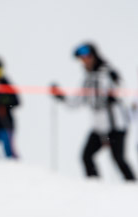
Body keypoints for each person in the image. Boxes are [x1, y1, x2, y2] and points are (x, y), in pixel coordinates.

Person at [51, 43, 135, 180]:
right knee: (86, 156)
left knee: (118, 159)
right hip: (99, 128)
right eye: (81, 58)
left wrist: (114, 93)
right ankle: (94, 187)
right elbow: (76, 102)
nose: (85, 61)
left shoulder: (108, 73)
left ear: (95, 56)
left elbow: (125, 93)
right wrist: (61, 96)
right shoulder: (88, 79)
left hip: (116, 126)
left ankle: (132, 187)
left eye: (87, 57)